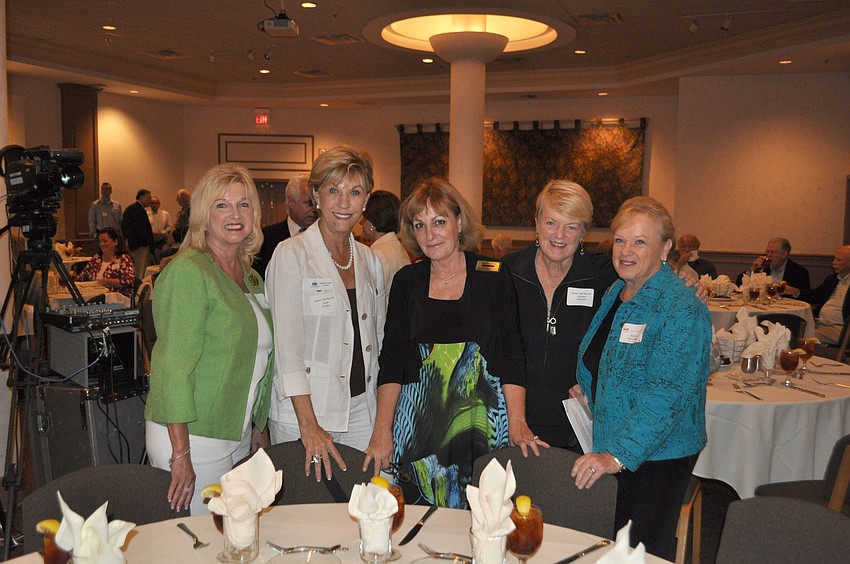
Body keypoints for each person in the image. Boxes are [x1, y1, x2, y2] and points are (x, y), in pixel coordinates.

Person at [363, 178, 541, 509]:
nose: (429, 234)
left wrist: (517, 423)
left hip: (482, 425)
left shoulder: (493, 275)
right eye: (420, 225)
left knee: (482, 519)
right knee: (417, 523)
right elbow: (392, 361)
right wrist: (381, 430)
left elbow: (512, 355)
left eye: (439, 221)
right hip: (418, 428)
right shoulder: (406, 281)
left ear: (459, 222)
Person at [570, 196, 711, 560]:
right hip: (614, 440)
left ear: (664, 249)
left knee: (639, 553)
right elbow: (611, 355)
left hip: (657, 457)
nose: (626, 251)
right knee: (611, 547)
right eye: (620, 240)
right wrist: (592, 386)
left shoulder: (681, 307)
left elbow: (667, 395)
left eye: (640, 242)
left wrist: (614, 457)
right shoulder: (617, 291)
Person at [144, 164, 274, 515]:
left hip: (234, 429)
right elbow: (172, 367)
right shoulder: (189, 270)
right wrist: (181, 453)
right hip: (193, 435)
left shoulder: (251, 277)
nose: (235, 214)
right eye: (222, 205)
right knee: (198, 537)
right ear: (203, 215)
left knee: (231, 531)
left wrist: (257, 426)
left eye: (243, 204)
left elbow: (258, 359)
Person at [266, 145, 385, 481]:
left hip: (361, 411)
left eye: (355, 192)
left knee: (363, 500)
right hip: (306, 415)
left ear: (366, 199)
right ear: (316, 195)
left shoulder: (369, 259)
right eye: (334, 191)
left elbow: (376, 339)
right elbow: (288, 351)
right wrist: (309, 426)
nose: (344, 203)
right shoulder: (292, 255)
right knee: (311, 508)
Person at [501, 180, 618, 451]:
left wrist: (685, 282)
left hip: (577, 423)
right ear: (537, 222)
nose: (559, 235)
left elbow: (646, 276)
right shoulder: (508, 271)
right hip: (515, 417)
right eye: (551, 223)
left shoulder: (601, 273)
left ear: (583, 232)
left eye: (572, 227)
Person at [253, 174, 317, 279]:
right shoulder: (265, 239)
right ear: (291, 202)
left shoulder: (326, 238)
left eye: (316, 203)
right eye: (309, 203)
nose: (314, 209)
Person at [784, 245, 850, 345]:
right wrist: (795, 291)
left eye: (838, 260)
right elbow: (816, 296)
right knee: (788, 328)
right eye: (834, 259)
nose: (833, 263)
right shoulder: (833, 279)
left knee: (801, 336)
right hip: (820, 322)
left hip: (841, 329)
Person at [359, 190, 410, 294]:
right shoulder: (399, 248)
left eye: (364, 218)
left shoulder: (376, 255)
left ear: (373, 223)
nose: (361, 222)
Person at [77, 227, 136, 298]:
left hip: (118, 299)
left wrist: (108, 282)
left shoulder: (123, 259)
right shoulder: (97, 258)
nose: (102, 244)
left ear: (115, 242)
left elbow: (129, 281)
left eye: (105, 241)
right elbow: (82, 277)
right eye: (100, 241)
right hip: (94, 297)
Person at [736, 237, 810, 289]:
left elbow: (804, 296)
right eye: (767, 251)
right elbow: (739, 285)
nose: (769, 255)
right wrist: (752, 269)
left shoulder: (798, 272)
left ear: (784, 254)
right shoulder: (762, 268)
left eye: (773, 252)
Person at [121, 189, 155, 275]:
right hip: (140, 245)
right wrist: (146, 242)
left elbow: (124, 227)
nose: (150, 200)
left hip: (132, 244)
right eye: (148, 197)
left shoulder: (130, 209)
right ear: (142, 197)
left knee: (136, 267)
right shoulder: (140, 210)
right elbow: (143, 229)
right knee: (141, 269)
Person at [147, 196, 173, 263]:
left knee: (165, 260)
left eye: (156, 203)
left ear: (159, 204)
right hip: (153, 241)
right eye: (152, 203)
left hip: (163, 240)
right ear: (150, 204)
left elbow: (169, 226)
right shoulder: (146, 215)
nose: (154, 205)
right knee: (157, 260)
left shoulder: (165, 214)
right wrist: (153, 232)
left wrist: (162, 232)